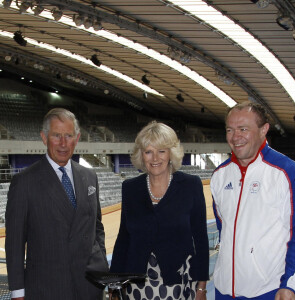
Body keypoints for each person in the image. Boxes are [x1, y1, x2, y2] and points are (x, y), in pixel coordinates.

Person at [5, 108, 109, 300]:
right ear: (44, 138)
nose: (63, 143)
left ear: (77, 139)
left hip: (90, 287)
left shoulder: (89, 176)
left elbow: (97, 227)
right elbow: (14, 242)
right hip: (47, 288)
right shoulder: (24, 182)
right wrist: (18, 291)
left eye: (69, 135)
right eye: (56, 136)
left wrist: (101, 265)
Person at [110, 121, 209, 300]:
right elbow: (123, 239)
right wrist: (115, 286)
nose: (155, 158)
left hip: (178, 283)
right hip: (137, 285)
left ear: (171, 153)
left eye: (161, 151)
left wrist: (201, 288)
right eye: (149, 152)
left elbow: (201, 240)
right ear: (142, 155)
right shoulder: (131, 188)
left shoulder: (190, 185)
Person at [211, 101, 295, 300]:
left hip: (269, 291)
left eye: (243, 129)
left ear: (263, 130)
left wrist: (290, 285)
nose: (235, 137)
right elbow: (223, 230)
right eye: (230, 130)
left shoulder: (288, 173)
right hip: (224, 290)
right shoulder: (220, 175)